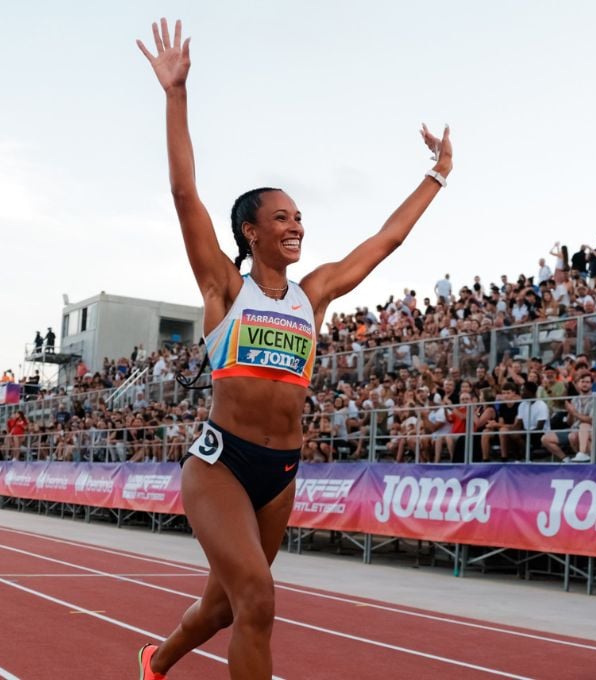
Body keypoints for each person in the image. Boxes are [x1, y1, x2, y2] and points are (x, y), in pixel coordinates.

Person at [134, 19, 453, 680]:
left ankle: (156, 662)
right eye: (281, 217)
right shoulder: (224, 286)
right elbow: (183, 193)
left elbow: (386, 241)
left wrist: (438, 175)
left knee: (226, 608)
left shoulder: (315, 293)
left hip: (280, 473)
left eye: (299, 216)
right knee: (259, 600)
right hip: (221, 464)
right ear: (250, 232)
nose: (296, 225)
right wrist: (176, 96)